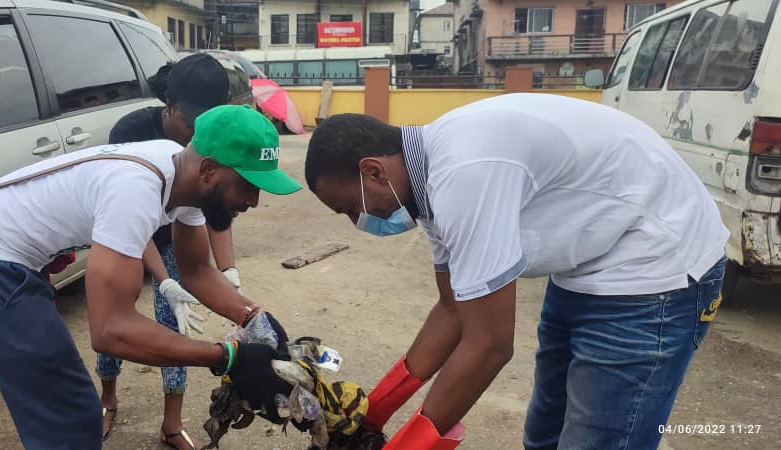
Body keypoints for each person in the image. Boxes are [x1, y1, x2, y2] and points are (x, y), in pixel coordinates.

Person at [303, 93, 728, 450]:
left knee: (598, 439)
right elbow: (453, 309)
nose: (356, 221)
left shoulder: (464, 172)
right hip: (590, 265)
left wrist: (405, 445)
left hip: (655, 269)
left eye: (350, 208)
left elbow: (488, 345)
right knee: (544, 434)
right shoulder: (426, 183)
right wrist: (370, 416)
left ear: (373, 171)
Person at [0, 104, 301, 450]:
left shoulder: (183, 175)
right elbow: (111, 330)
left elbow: (196, 269)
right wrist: (227, 357)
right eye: (247, 184)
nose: (254, 200)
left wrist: (253, 318)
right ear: (208, 169)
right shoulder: (134, 190)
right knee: (72, 414)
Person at [97, 53, 253, 448]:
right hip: (127, 235)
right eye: (190, 122)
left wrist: (229, 275)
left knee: (175, 326)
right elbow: (133, 222)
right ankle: (107, 400)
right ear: (169, 106)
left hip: (175, 234)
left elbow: (213, 209)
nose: (195, 133)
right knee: (116, 316)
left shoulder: (205, 146)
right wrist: (165, 280)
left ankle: (171, 423)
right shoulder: (133, 133)